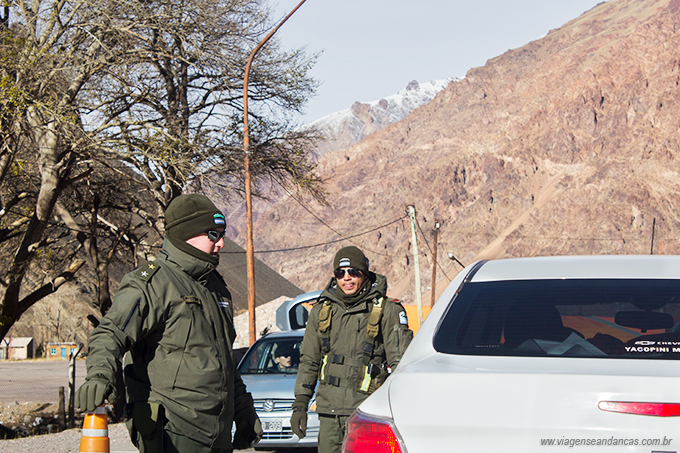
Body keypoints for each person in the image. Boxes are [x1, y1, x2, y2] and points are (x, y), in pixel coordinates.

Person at [75, 194, 262, 452]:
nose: (220, 244)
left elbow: (224, 360)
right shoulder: (153, 283)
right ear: (187, 234)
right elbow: (109, 334)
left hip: (217, 433)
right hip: (173, 431)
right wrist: (99, 375)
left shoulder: (216, 288)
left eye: (222, 234)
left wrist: (243, 409)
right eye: (213, 235)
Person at [290, 246, 414, 453]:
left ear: (364, 274)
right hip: (329, 413)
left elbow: (401, 365)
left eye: (353, 272)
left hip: (367, 413)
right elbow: (309, 361)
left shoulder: (388, 310)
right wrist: (300, 405)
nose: (346, 278)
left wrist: (404, 407)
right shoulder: (321, 311)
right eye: (340, 273)